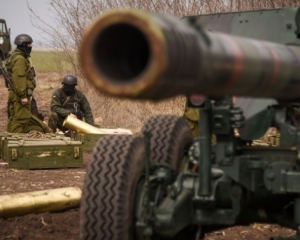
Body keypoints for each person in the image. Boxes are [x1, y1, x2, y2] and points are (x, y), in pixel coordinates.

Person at [5, 34, 50, 133]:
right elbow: (19, 78)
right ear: (23, 45)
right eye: (29, 44)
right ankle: (15, 141)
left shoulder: (17, 57)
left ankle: (9, 138)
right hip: (19, 95)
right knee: (21, 119)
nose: (30, 47)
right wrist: (22, 95)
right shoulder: (20, 59)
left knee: (15, 118)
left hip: (15, 94)